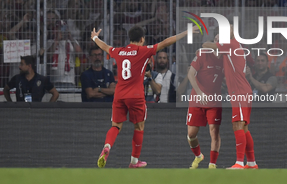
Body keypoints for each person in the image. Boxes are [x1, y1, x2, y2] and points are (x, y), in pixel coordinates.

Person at [91, 25, 197, 168]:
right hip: (135, 95)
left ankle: (107, 146)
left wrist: (95, 37)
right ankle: (134, 161)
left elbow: (104, 46)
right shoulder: (143, 51)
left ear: (130, 39)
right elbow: (166, 42)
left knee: (116, 126)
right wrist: (185, 32)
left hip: (120, 94)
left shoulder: (119, 51)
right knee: (139, 126)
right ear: (142, 39)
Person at [202, 24, 257, 169]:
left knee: (237, 124)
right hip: (243, 91)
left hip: (239, 92)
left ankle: (239, 163)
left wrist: (216, 41)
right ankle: (251, 163)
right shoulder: (234, 46)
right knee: (244, 127)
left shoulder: (230, 44)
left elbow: (205, 45)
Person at [186, 34, 224, 169]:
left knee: (214, 131)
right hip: (197, 99)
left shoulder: (227, 58)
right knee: (191, 134)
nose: (219, 41)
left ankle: (212, 165)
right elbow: (190, 74)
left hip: (214, 101)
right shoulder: (203, 54)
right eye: (217, 39)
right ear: (214, 41)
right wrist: (200, 93)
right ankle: (198, 156)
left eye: (222, 39)